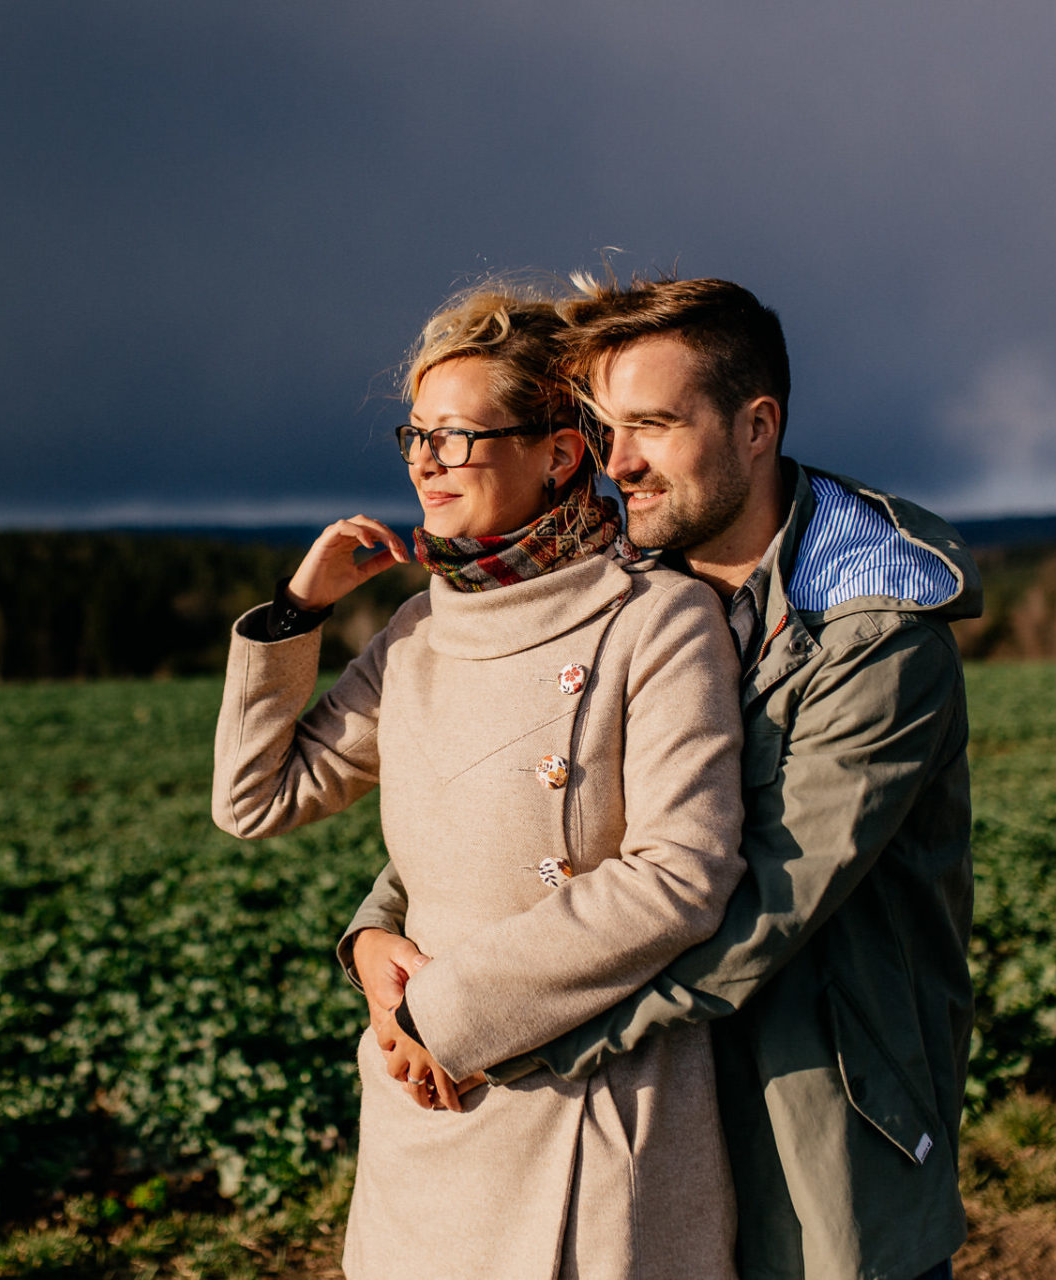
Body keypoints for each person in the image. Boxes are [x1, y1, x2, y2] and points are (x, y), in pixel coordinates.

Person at [350, 276, 982, 1280]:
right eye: (606, 426)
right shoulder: (647, 597)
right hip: (657, 1132)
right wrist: (385, 924)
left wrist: (486, 1022)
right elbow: (518, 792)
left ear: (755, 425)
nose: (620, 461)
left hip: (814, 1130)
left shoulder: (876, 639)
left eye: (652, 423)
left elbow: (760, 900)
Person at [212, 284, 747, 1279]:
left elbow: (681, 873)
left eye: (458, 436)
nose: (426, 460)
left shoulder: (656, 621)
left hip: (585, 1103)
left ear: (558, 450)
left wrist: (446, 1013)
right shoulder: (418, 632)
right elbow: (256, 800)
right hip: (424, 1110)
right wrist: (297, 610)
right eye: (416, 435)